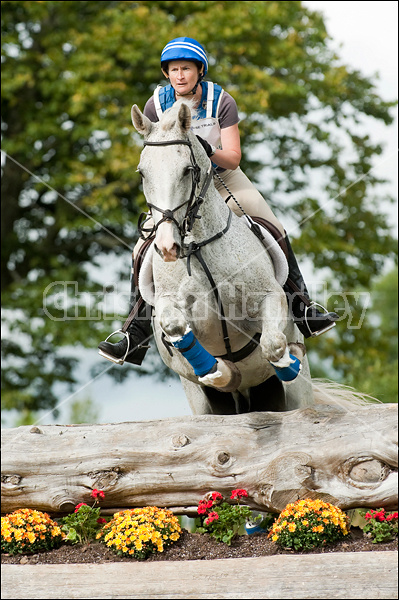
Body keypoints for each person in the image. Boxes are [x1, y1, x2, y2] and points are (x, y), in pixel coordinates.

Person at [98, 37, 338, 365]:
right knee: (143, 246)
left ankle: (303, 307)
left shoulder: (221, 101)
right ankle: (134, 331)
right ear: (166, 74)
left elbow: (234, 157)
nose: (179, 75)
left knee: (273, 226)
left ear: (199, 71)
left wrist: (206, 150)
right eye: (173, 70)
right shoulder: (155, 104)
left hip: (222, 177)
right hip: (180, 188)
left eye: (186, 69)